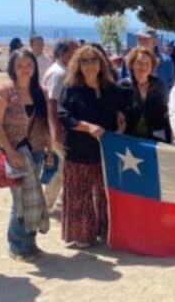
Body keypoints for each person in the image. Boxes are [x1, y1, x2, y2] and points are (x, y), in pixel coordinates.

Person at [58, 45, 128, 248]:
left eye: (93, 60)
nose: (90, 65)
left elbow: (121, 109)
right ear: (78, 65)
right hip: (79, 150)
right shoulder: (71, 88)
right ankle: (82, 235)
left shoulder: (111, 88)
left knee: (104, 195)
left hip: (105, 152)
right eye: (85, 61)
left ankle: (105, 232)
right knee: (80, 195)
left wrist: (121, 117)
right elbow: (63, 115)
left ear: (101, 63)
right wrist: (87, 127)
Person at [0, 48, 52, 261]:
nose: (25, 69)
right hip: (15, 152)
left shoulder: (40, 92)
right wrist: (9, 151)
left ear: (34, 68)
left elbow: (45, 124)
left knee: (33, 198)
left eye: (29, 65)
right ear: (12, 68)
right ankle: (17, 246)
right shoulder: (5, 92)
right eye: (20, 65)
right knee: (20, 200)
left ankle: (30, 243)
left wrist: (50, 150)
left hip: (36, 150)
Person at [41, 38, 79, 213]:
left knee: (63, 168)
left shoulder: (60, 70)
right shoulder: (59, 73)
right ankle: (46, 204)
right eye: (74, 51)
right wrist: (55, 130)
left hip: (57, 127)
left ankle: (56, 203)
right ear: (64, 54)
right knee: (61, 168)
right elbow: (52, 103)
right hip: (58, 128)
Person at [119, 47, 171, 143]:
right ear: (132, 65)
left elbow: (166, 111)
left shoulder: (159, 84)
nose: (143, 67)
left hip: (154, 139)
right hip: (129, 139)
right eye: (139, 63)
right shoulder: (123, 86)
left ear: (151, 67)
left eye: (147, 63)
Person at [122, 27, 175, 96]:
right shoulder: (128, 59)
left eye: (145, 39)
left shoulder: (166, 61)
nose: (141, 42)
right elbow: (122, 83)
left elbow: (170, 86)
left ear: (154, 42)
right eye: (139, 39)